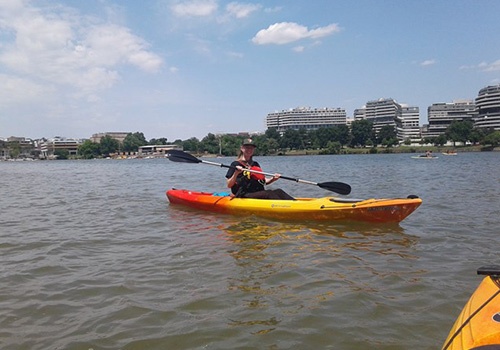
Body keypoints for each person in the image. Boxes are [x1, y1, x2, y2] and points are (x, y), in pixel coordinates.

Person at [225, 138, 294, 200]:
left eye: (251, 148)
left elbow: (263, 181)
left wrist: (273, 179)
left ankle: (295, 203)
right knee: (268, 193)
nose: (249, 150)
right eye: (247, 148)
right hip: (244, 194)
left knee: (279, 191)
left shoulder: (255, 164)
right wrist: (236, 173)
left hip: (258, 193)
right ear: (242, 148)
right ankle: (283, 208)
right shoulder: (235, 164)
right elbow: (229, 185)